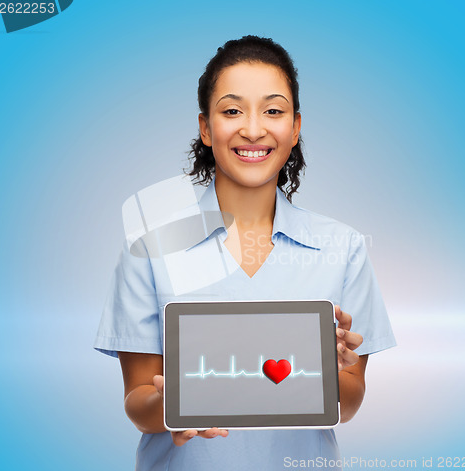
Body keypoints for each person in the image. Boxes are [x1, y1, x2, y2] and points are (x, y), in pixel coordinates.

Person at [94, 35, 396, 470]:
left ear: (295, 127)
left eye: (273, 111)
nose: (253, 129)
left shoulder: (343, 247)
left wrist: (327, 370)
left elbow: (348, 403)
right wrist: (173, 408)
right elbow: (137, 402)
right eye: (232, 110)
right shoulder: (149, 247)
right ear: (205, 127)